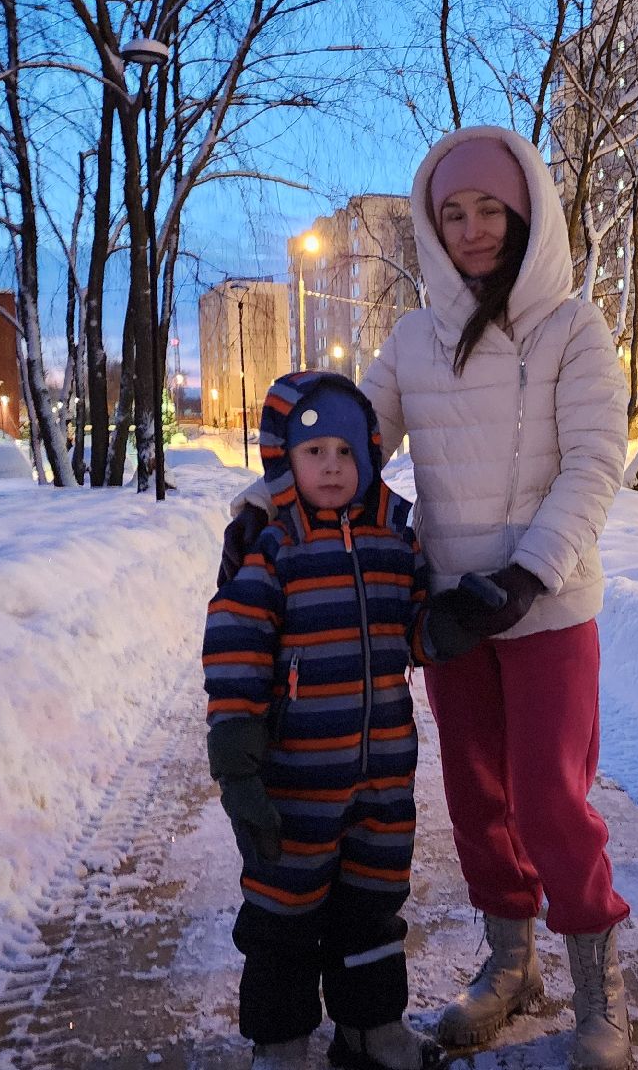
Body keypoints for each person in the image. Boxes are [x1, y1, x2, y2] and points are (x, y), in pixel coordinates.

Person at [221, 126, 633, 1070]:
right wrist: (261, 505)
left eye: (490, 208)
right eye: (453, 214)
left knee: (549, 797)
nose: (473, 229)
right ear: (430, 225)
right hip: (451, 612)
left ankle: (598, 987)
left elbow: (595, 465)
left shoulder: (576, 329)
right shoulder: (415, 338)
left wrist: (529, 573)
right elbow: (345, 437)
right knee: (476, 794)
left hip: (547, 605)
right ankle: (511, 965)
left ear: (527, 211)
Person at [202, 370, 488, 1070]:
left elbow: (408, 632)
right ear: (283, 460)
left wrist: (444, 628)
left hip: (383, 775)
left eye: (346, 452)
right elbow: (236, 645)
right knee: (283, 917)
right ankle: (281, 1043)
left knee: (374, 906)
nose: (332, 467)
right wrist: (237, 753)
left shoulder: (396, 539)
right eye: (313, 452)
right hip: (297, 781)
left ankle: (371, 1030)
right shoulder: (272, 546)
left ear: (369, 456)